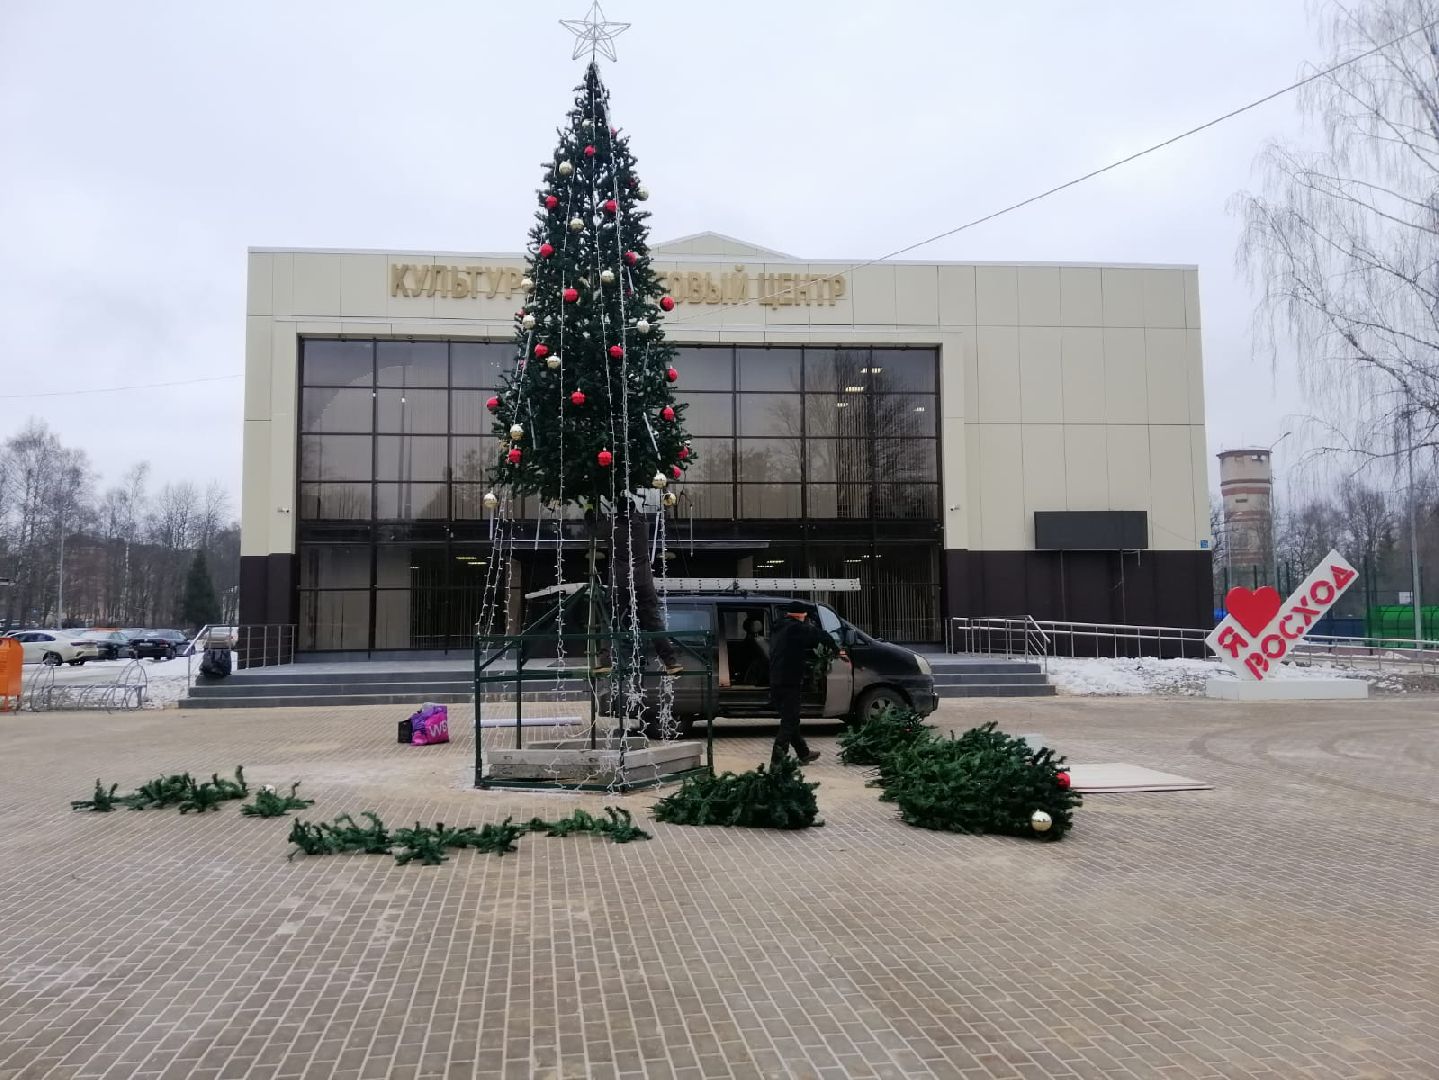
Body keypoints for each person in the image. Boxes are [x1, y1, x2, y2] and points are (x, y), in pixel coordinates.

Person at [767, 600, 834, 765]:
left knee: (791, 719)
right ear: (801, 615)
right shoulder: (795, 628)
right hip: (789, 681)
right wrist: (836, 647)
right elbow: (819, 636)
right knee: (789, 722)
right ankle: (776, 762)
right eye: (805, 615)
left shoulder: (779, 628)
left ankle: (803, 753)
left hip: (776, 681)